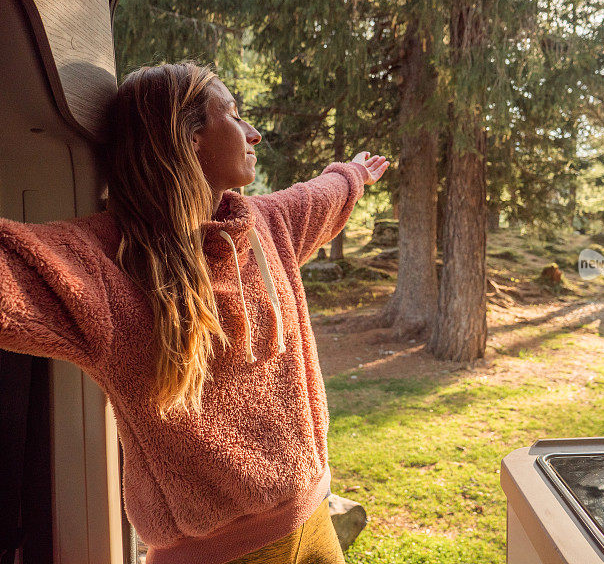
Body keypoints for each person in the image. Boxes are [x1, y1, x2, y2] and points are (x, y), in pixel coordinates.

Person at [0, 61, 390, 564]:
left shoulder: (265, 225)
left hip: (312, 520)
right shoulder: (101, 266)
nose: (253, 133)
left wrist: (351, 174)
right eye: (231, 114)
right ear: (185, 138)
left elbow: (318, 197)